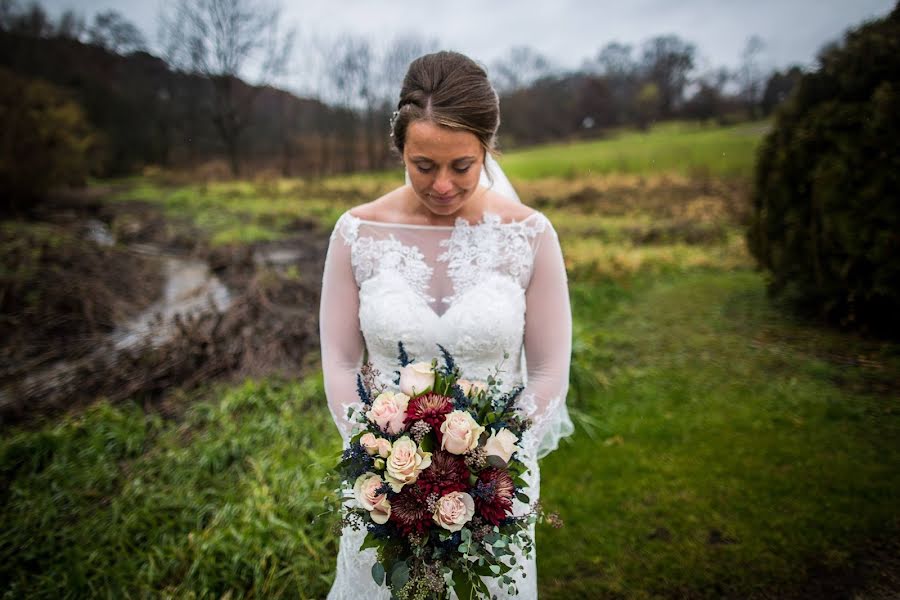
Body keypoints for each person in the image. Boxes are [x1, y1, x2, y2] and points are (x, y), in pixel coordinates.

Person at [319, 50, 574, 599]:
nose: (440, 186)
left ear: (487, 148)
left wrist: (487, 465)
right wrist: (378, 458)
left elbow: (550, 370)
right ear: (400, 151)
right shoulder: (355, 234)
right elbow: (340, 363)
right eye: (422, 165)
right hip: (383, 488)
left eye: (461, 165)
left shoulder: (530, 236)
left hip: (495, 483)